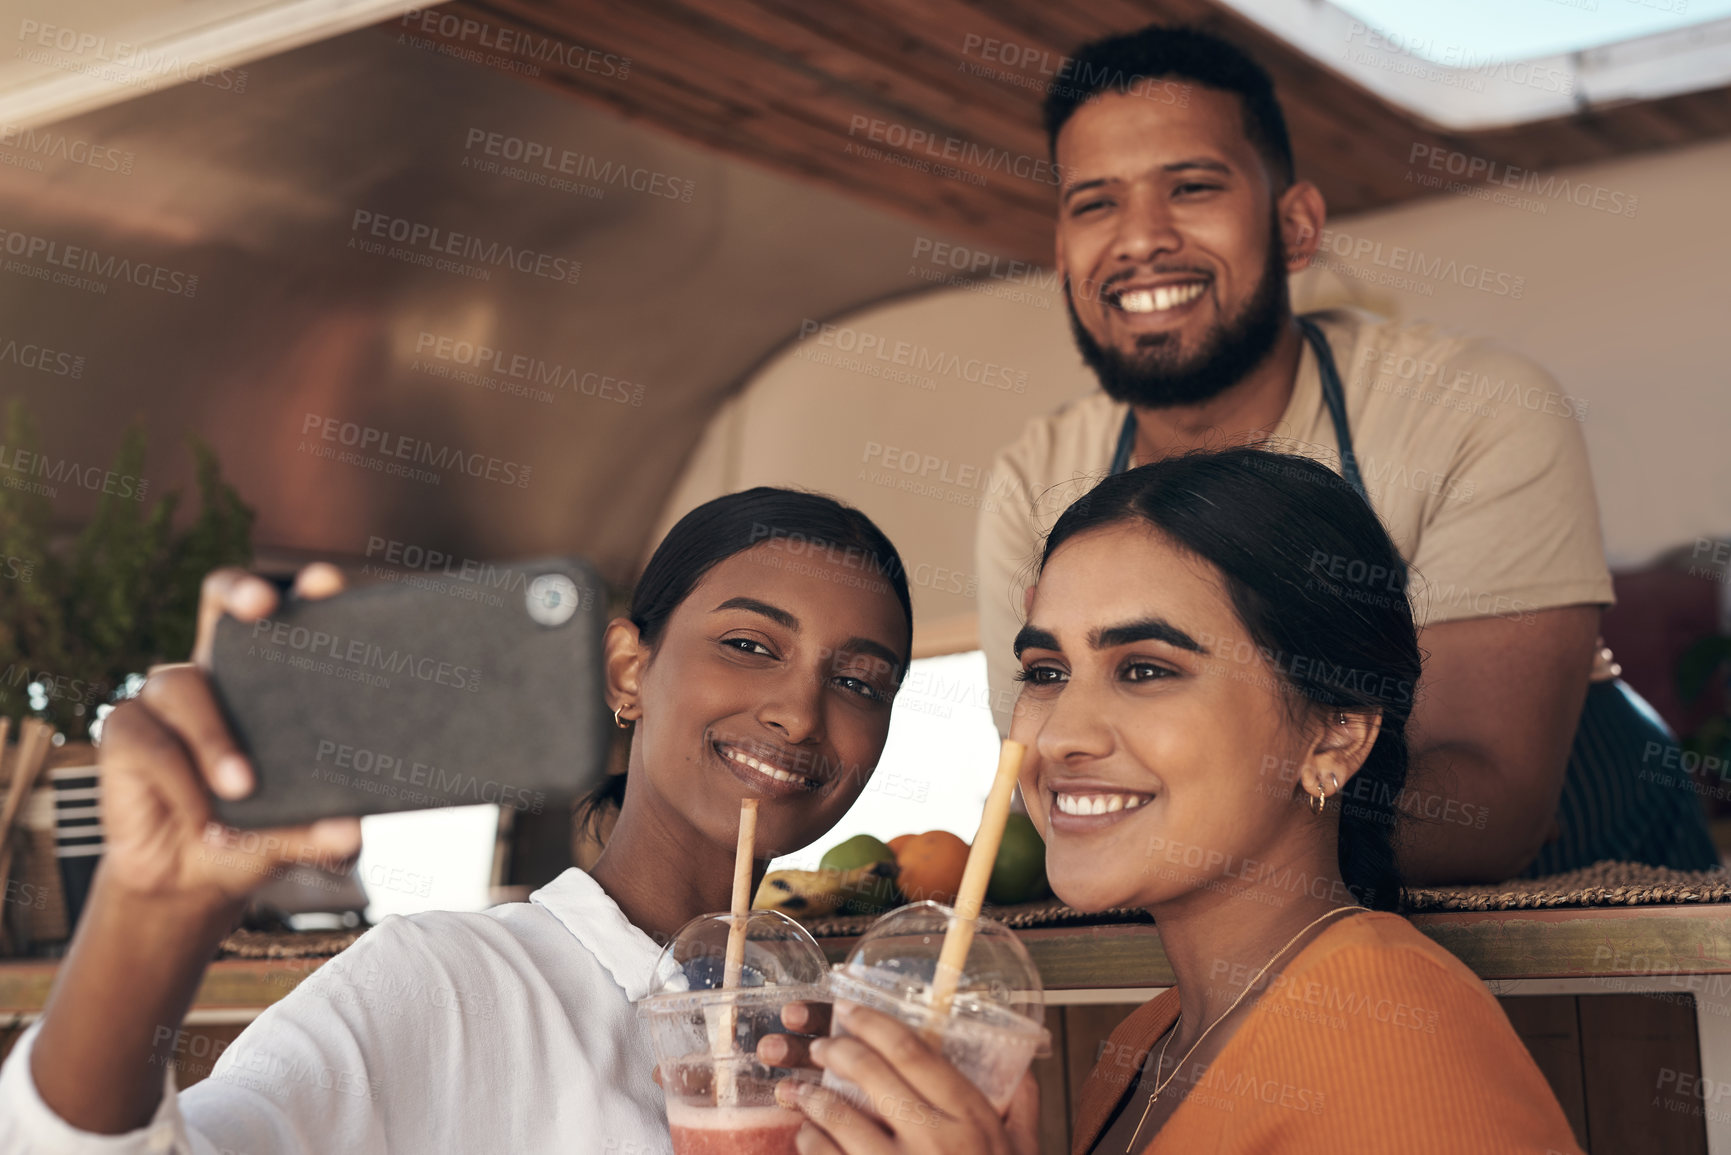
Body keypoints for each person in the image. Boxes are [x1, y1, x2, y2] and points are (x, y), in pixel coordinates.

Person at [975, 25, 1715, 884]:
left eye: (1191, 187)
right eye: (1094, 202)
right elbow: (1041, 771)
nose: (1140, 238)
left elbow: (1487, 808)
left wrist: (1180, 828)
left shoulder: (1474, 410)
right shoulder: (1032, 481)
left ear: (1294, 227)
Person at [0, 487, 912, 1154]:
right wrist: (146, 910)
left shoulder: (857, 1046)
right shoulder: (444, 982)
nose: (798, 711)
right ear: (629, 673)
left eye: (858, 680)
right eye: (749, 645)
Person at [781, 448, 1585, 1154]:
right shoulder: (1145, 1043)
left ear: (1333, 739)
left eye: (1145, 669)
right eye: (1046, 672)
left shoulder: (1391, 1037)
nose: (1060, 736)